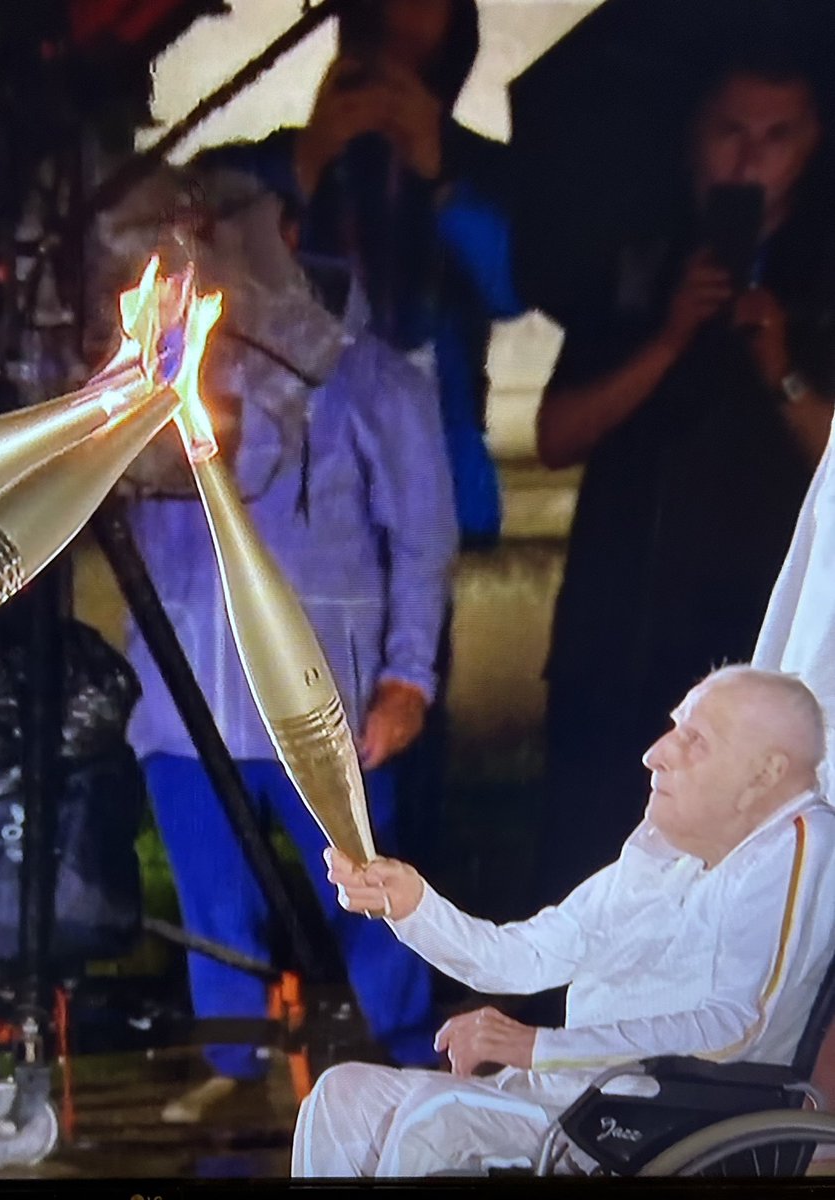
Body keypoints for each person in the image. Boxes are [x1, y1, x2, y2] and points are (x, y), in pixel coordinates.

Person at [121, 174, 459, 1124]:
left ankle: (387, 1058)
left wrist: (407, 677)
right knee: (213, 900)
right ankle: (235, 1064)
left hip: (326, 695)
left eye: (226, 229)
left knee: (367, 884)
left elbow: (423, 537)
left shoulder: (371, 377)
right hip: (185, 694)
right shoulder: (157, 367)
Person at [196, 0, 525, 889]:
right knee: (242, 764)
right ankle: (281, 985)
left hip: (427, 475)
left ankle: (394, 977)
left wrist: (438, 174)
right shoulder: (259, 171)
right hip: (279, 499)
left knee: (397, 750)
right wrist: (304, 166)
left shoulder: (479, 176)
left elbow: (516, 284)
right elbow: (201, 254)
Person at [299, 665, 835, 1177]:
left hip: (660, 1117)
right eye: (674, 729)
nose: (655, 754)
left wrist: (539, 1047)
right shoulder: (664, 857)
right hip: (579, 1097)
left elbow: (736, 1028)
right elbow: (524, 957)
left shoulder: (800, 841)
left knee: (433, 1120)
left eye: (695, 740)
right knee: (342, 1096)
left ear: (766, 772)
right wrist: (412, 904)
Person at [534, 51, 835, 910]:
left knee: (751, 867)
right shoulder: (639, 260)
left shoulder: (819, 271)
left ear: (810, 144)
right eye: (731, 132)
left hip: (761, 623)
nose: (750, 160)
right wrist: (668, 338)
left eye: (776, 137)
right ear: (694, 139)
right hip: (623, 618)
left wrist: (781, 368)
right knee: (592, 843)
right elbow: (555, 434)